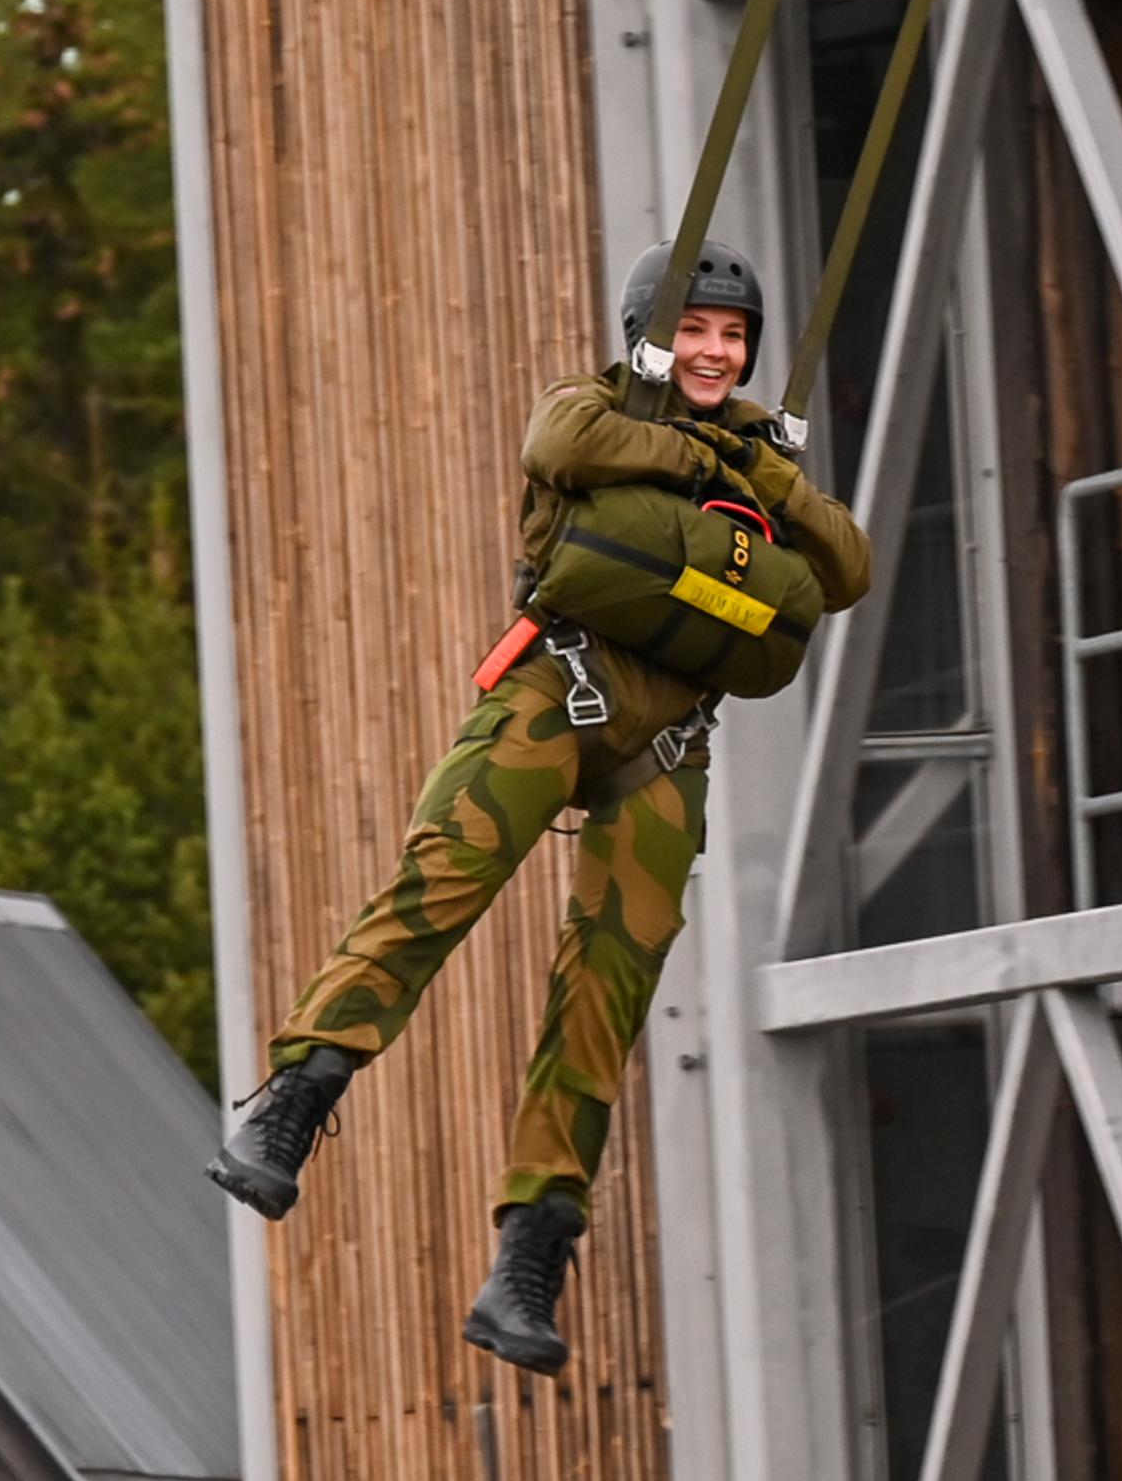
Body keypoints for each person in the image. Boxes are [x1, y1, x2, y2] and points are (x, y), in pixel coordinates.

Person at [205, 240, 871, 1374]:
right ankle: (295, 1097)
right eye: (694, 331)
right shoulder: (592, 405)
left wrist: (765, 480)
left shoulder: (764, 454)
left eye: (732, 335)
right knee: (441, 882)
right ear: (648, 336)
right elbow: (558, 447)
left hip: (668, 744)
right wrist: (691, 453)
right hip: (560, 690)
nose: (715, 353)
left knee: (610, 986)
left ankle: (532, 1248)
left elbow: (846, 566)